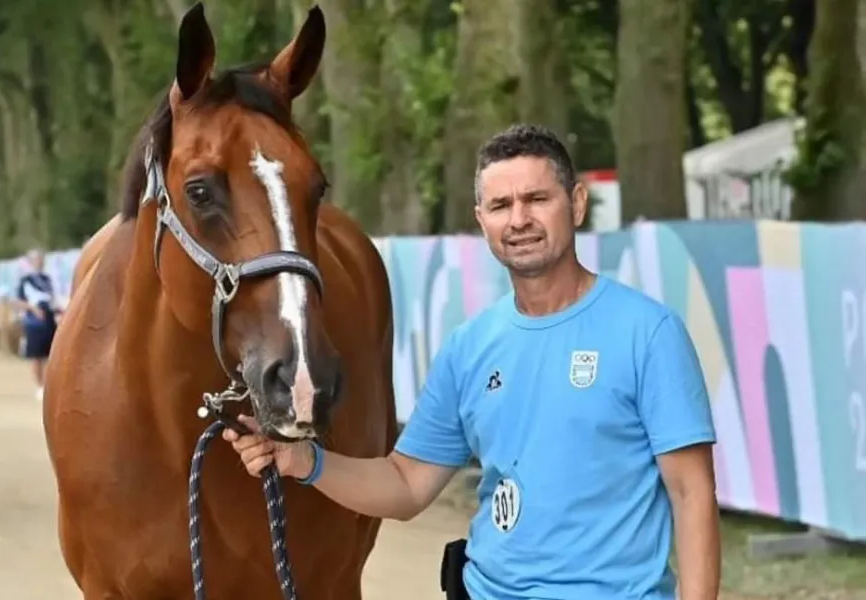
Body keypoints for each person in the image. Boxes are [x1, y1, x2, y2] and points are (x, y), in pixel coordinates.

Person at [224, 124, 721, 599]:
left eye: (537, 199)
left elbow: (691, 494)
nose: (519, 219)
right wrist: (304, 461)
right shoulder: (469, 347)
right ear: (481, 219)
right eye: (501, 205)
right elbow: (406, 484)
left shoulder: (648, 332)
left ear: (577, 203)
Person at [14, 248, 59, 401]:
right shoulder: (26, 280)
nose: (39, 262)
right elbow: (19, 301)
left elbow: (52, 298)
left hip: (49, 320)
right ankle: (39, 385)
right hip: (33, 322)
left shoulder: (47, 279)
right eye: (36, 259)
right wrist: (33, 308)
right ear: (31, 262)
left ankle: (47, 385)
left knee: (49, 355)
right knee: (35, 356)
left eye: (41, 259)